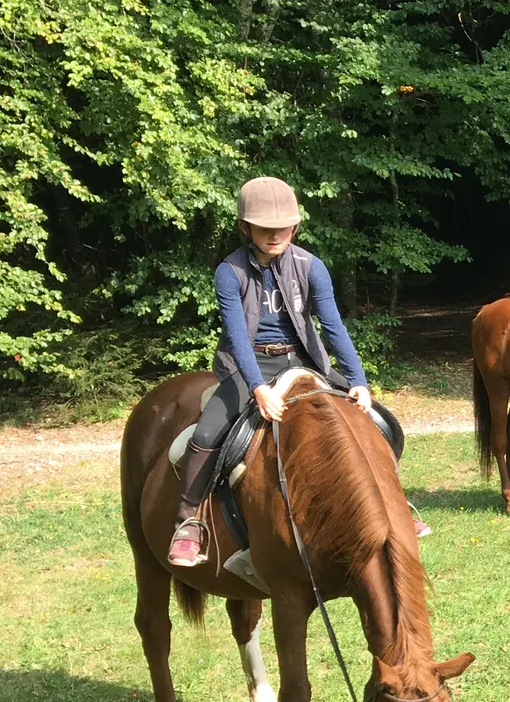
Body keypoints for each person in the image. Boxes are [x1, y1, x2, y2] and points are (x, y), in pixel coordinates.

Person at [168, 177, 426, 567]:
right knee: (206, 433)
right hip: (249, 363)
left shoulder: (310, 265)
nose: (275, 235)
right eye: (265, 228)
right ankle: (189, 521)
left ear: (295, 226)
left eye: (283, 227)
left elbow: (333, 325)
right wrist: (257, 387)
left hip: (304, 360)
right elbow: (237, 334)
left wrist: (358, 380)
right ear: (245, 228)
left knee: (377, 421)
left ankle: (394, 502)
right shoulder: (229, 271)